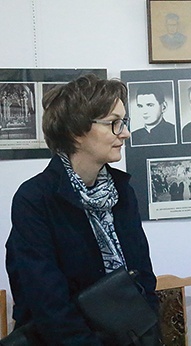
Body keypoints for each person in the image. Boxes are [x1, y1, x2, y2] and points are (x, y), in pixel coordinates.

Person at [5, 74, 159, 344]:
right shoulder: (34, 199)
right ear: (76, 131)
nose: (125, 133)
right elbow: (47, 302)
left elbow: (143, 275)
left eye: (124, 122)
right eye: (114, 123)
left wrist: (147, 332)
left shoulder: (123, 191)